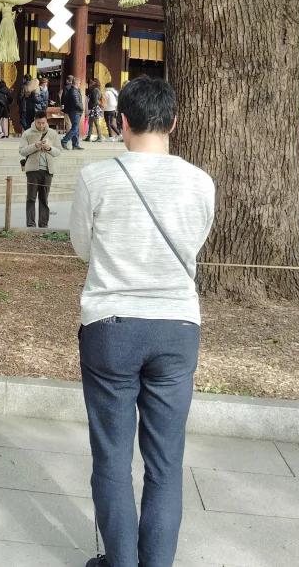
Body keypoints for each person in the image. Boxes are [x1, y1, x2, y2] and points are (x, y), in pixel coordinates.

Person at [70, 76, 215, 567]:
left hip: (111, 325)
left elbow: (83, 249)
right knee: (166, 461)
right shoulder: (200, 181)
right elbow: (195, 243)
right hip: (177, 325)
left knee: (111, 457)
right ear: (173, 122)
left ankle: (120, 562)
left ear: (122, 121)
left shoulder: (96, 177)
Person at [20, 110, 63, 228]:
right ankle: (30, 224)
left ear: (46, 121)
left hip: (48, 171)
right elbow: (22, 150)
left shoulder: (53, 133)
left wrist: (49, 148)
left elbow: (59, 151)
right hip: (33, 170)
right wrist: (35, 146)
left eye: (43, 123)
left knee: (44, 199)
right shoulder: (27, 133)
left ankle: (43, 225)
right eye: (39, 123)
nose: (41, 125)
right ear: (35, 121)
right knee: (31, 198)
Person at [61, 75, 84, 151]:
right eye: (80, 83)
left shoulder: (74, 90)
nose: (80, 84)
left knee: (76, 128)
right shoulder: (73, 91)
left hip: (75, 111)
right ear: (77, 83)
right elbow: (76, 102)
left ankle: (75, 145)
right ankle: (64, 140)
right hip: (74, 111)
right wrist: (81, 108)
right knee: (74, 128)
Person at [85, 77, 106, 142]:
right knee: (90, 123)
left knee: (96, 123)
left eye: (92, 82)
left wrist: (91, 105)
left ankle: (99, 137)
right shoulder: (96, 90)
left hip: (95, 108)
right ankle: (88, 137)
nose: (90, 83)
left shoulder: (95, 90)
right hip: (94, 108)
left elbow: (95, 100)